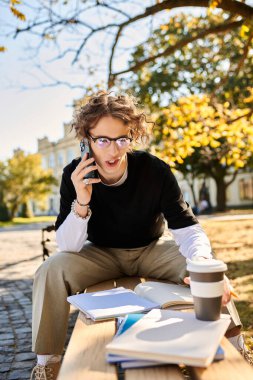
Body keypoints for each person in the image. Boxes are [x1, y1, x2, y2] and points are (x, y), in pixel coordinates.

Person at [30, 91, 244, 380]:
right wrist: (81, 201)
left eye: (122, 139)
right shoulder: (74, 174)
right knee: (49, 270)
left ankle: (236, 350)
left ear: (132, 137)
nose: (113, 150)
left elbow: (186, 227)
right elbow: (68, 246)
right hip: (101, 253)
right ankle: (47, 364)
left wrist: (203, 260)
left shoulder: (154, 170)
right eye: (102, 140)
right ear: (87, 140)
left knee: (209, 270)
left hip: (152, 248)